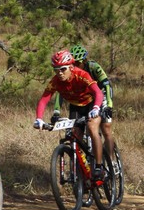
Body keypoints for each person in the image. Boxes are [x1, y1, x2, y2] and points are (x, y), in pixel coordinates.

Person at [33, 50, 106, 180]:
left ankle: (99, 167)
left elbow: (98, 93)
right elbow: (44, 99)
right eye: (56, 70)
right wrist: (39, 118)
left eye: (63, 69)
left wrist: (95, 108)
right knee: (74, 136)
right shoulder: (55, 81)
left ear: (71, 67)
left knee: (92, 128)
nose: (59, 73)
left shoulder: (81, 74)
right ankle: (80, 170)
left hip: (92, 103)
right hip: (76, 106)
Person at [52, 44, 115, 159]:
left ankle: (111, 160)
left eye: (77, 63)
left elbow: (106, 85)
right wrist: (56, 112)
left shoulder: (93, 67)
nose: (75, 65)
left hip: (101, 95)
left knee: (106, 128)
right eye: (72, 63)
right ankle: (81, 166)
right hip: (83, 100)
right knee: (76, 133)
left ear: (84, 61)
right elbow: (60, 92)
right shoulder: (70, 72)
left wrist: (108, 106)